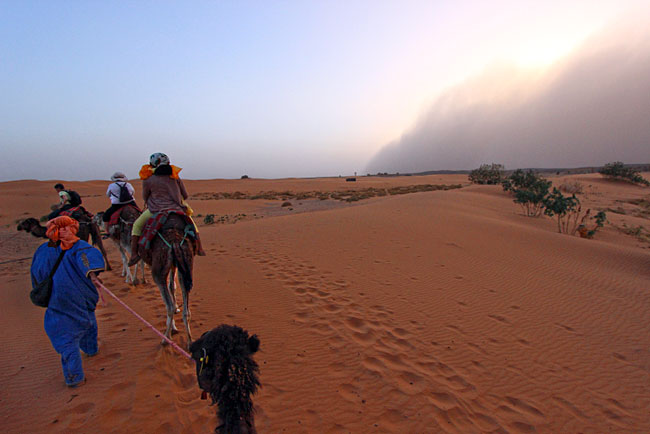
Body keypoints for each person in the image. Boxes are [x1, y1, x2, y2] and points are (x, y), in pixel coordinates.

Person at [30, 216, 105, 387]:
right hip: (77, 297)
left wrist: (91, 272)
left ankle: (77, 372)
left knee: (67, 336)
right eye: (65, 228)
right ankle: (82, 365)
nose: (67, 231)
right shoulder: (79, 247)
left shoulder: (43, 250)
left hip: (57, 301)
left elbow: (36, 275)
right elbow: (87, 259)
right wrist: (92, 273)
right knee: (82, 327)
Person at [128, 152, 205, 266]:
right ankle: (199, 248)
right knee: (192, 224)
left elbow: (145, 196)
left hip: (155, 210)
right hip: (176, 209)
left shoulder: (148, 178)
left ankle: (134, 254)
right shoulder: (175, 176)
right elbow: (185, 195)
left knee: (137, 226)